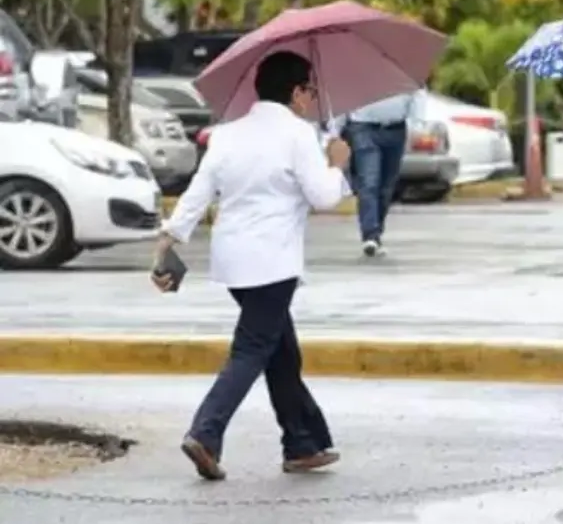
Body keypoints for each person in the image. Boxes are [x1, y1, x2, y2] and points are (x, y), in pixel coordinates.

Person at [151, 51, 351, 480]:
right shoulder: (298, 135)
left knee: (282, 353)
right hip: (272, 263)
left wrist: (169, 238)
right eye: (310, 90)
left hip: (234, 263)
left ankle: (302, 444)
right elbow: (323, 197)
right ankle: (205, 433)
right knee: (253, 349)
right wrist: (337, 165)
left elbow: (199, 192)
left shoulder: (227, 135)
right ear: (296, 92)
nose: (311, 99)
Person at [332, 91, 415, 257]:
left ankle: (376, 232)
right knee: (369, 181)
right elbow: (343, 94)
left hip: (395, 129)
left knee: (387, 186)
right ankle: (370, 234)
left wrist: (416, 123)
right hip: (363, 127)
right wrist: (335, 130)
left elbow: (417, 93)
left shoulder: (403, 76)